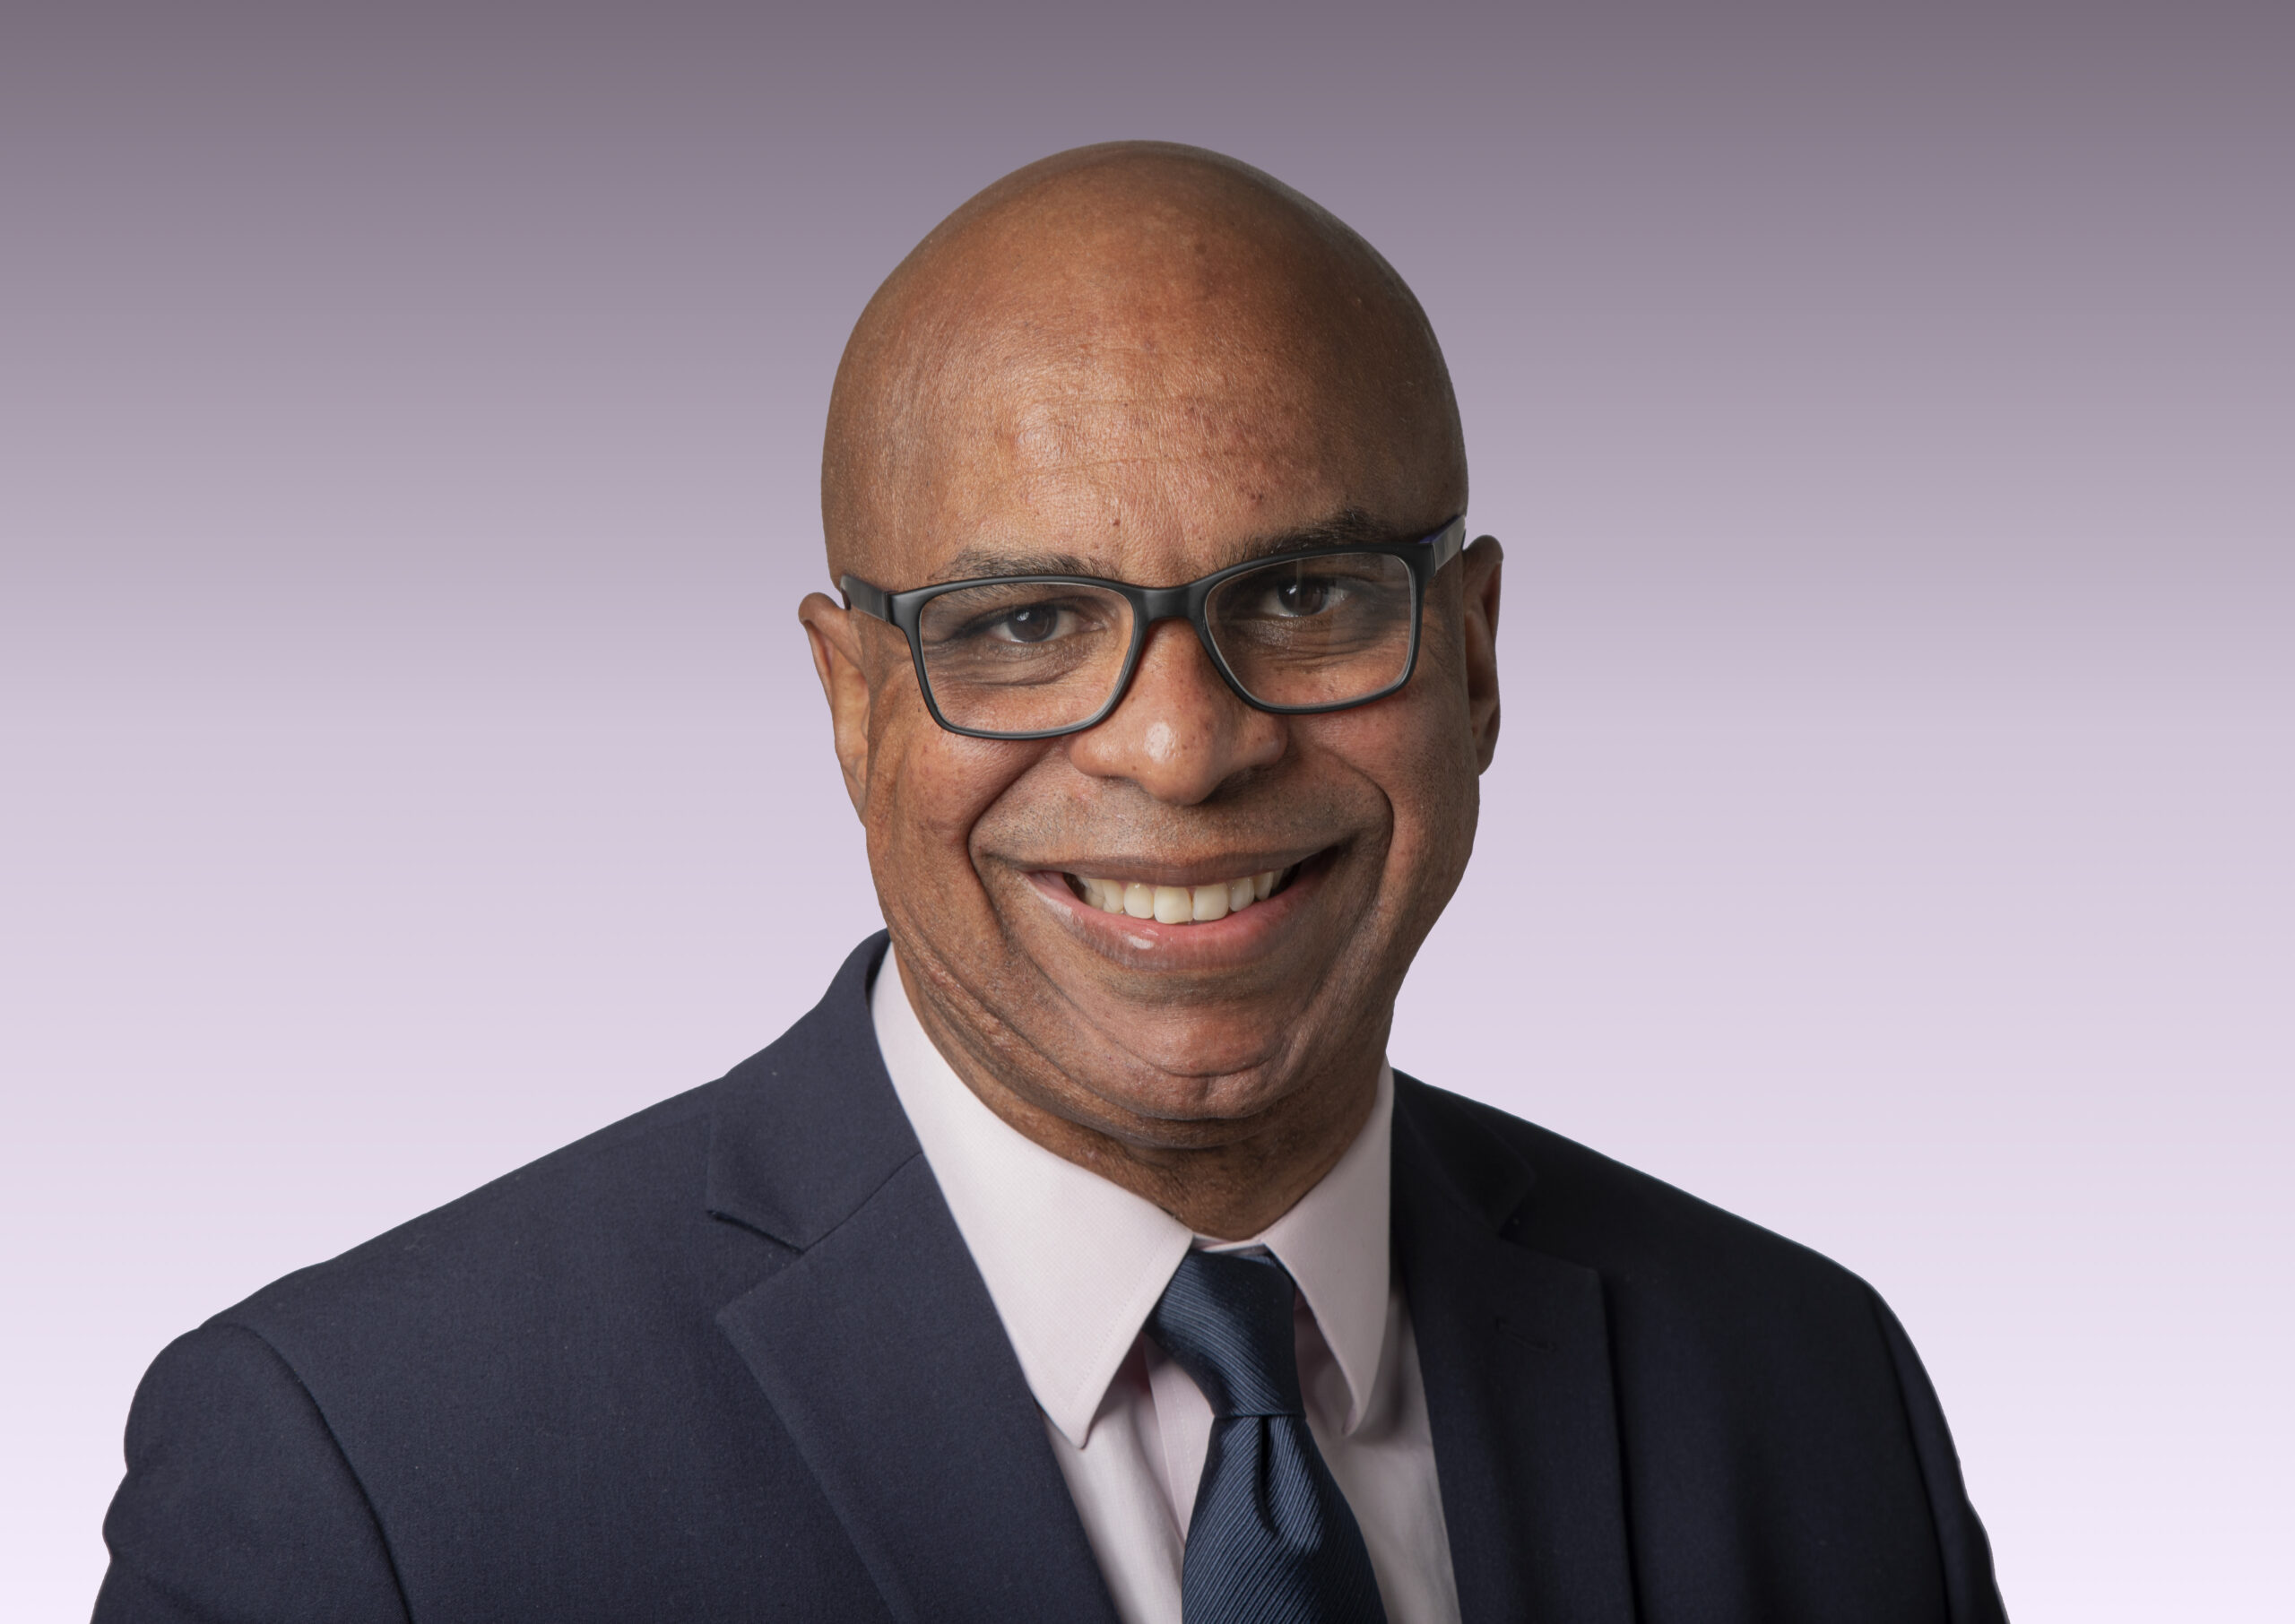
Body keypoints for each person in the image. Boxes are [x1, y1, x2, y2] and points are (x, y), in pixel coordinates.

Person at [94, 143, 2007, 1624]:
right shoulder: (365, 1475)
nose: (1180, 747)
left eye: (1307, 593)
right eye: (1021, 622)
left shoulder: (1803, 1388)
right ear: (853, 706)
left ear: (1477, 659)